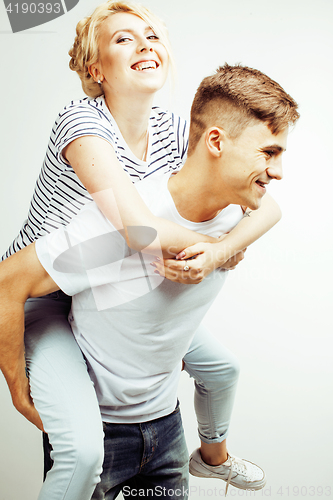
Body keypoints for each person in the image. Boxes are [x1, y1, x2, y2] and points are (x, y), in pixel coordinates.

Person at [0, 2, 285, 499]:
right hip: (44, 294)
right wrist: (217, 248)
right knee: (84, 451)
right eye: (124, 39)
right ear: (95, 69)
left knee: (222, 368)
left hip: (105, 289)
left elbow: (265, 206)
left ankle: (211, 458)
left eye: (151, 35)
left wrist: (220, 253)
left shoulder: (175, 130)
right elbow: (137, 230)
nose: (145, 44)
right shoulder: (82, 125)